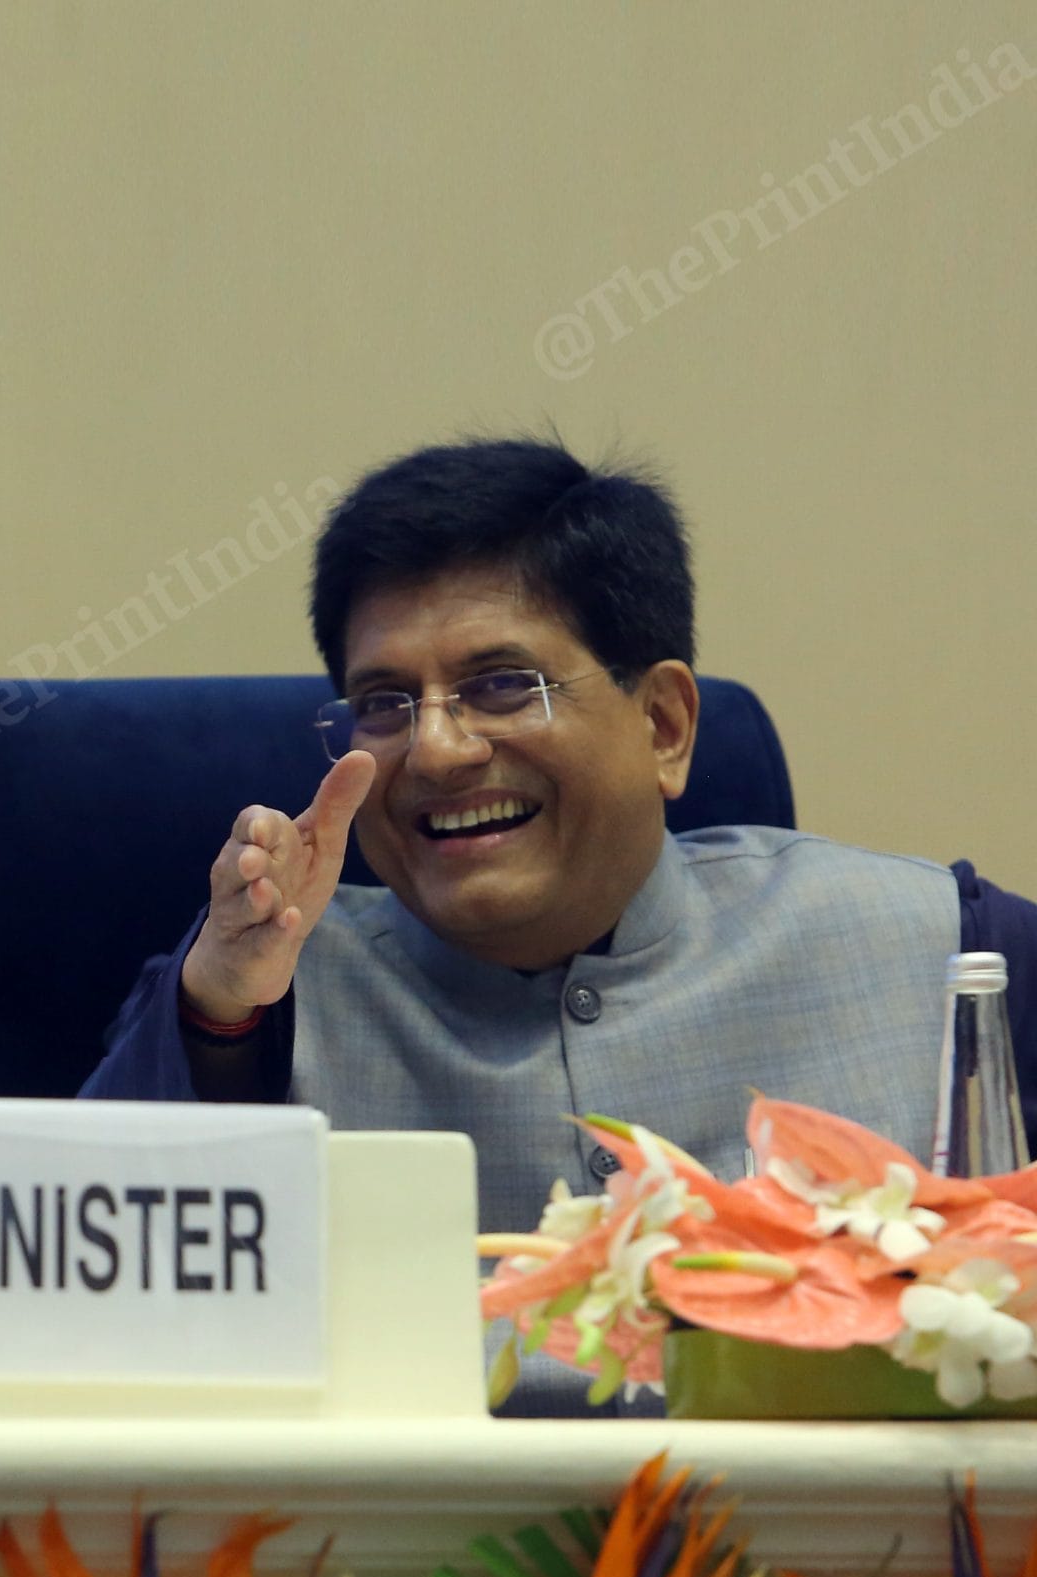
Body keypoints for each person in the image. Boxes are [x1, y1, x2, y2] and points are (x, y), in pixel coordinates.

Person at [82, 437, 1037, 1362]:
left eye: (502, 686)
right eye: (385, 703)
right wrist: (219, 1015)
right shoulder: (262, 995)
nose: (438, 750)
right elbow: (78, 1303)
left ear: (663, 725)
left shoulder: (948, 951)